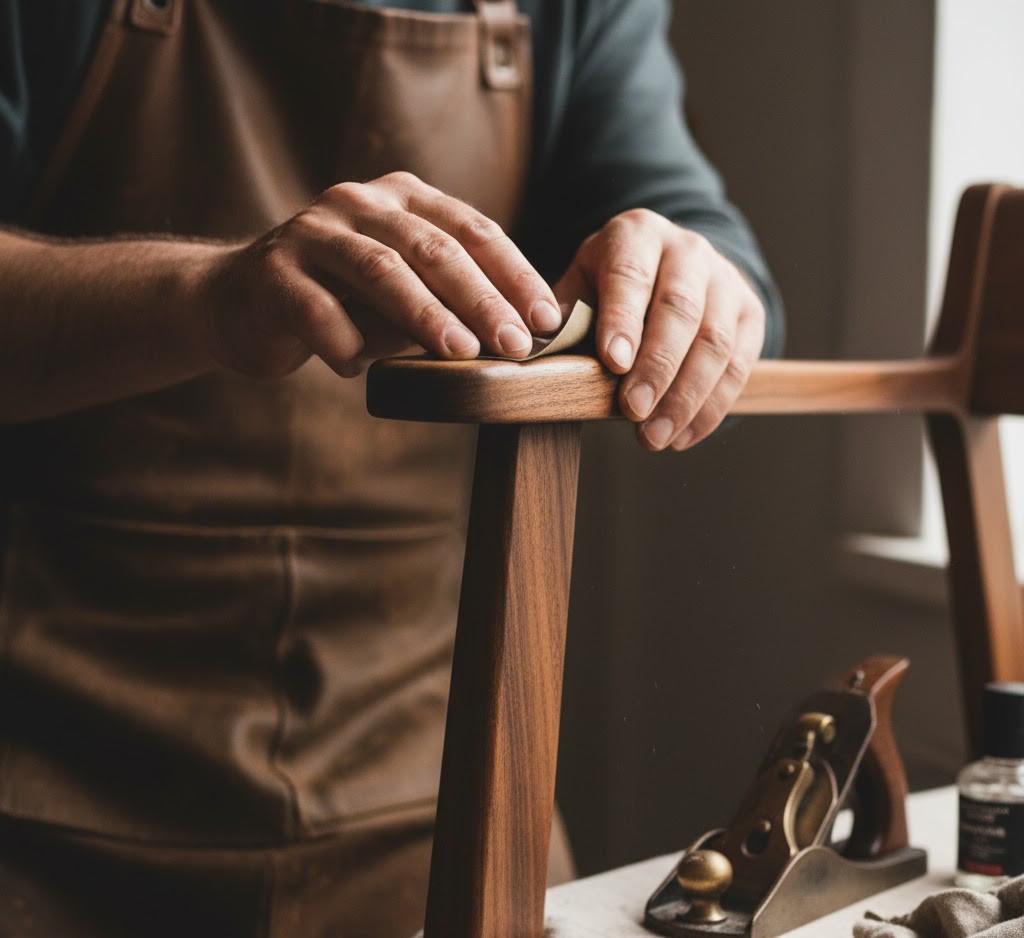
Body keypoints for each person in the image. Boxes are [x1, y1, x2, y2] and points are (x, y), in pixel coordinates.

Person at [0, 0, 783, 935]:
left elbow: (704, 234)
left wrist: (701, 276)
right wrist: (207, 294)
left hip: (433, 783)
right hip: (38, 787)